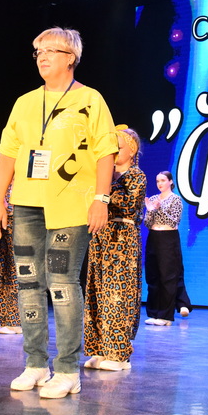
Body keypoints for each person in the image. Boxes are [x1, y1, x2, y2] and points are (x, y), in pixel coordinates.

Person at [0, 27, 117, 400]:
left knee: (61, 283)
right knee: (28, 283)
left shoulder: (91, 99)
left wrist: (101, 198)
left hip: (71, 205)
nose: (42, 56)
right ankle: (35, 363)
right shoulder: (25, 102)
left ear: (70, 57)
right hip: (27, 202)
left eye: (50, 50)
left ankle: (67, 370)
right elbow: (8, 153)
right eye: (38, 51)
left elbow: (106, 151)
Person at [84, 126, 146, 371]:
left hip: (122, 238)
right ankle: (99, 349)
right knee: (96, 292)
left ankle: (118, 353)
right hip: (101, 235)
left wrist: (103, 191)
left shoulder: (137, 176)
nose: (113, 153)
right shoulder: (103, 176)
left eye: (117, 148)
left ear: (132, 150)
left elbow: (128, 204)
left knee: (117, 294)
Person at [144, 171, 185, 326]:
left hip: (168, 238)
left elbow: (174, 221)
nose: (160, 183)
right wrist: (150, 211)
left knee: (167, 276)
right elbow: (147, 223)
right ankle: (153, 313)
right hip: (154, 237)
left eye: (163, 180)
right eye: (157, 181)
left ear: (170, 182)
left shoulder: (175, 199)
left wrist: (159, 209)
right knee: (153, 276)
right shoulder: (153, 199)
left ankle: (165, 315)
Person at [0, 184, 21, 334]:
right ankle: (5, 317)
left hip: (18, 222)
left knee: (15, 271)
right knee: (2, 272)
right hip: (4, 222)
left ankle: (15, 321)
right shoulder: (6, 183)